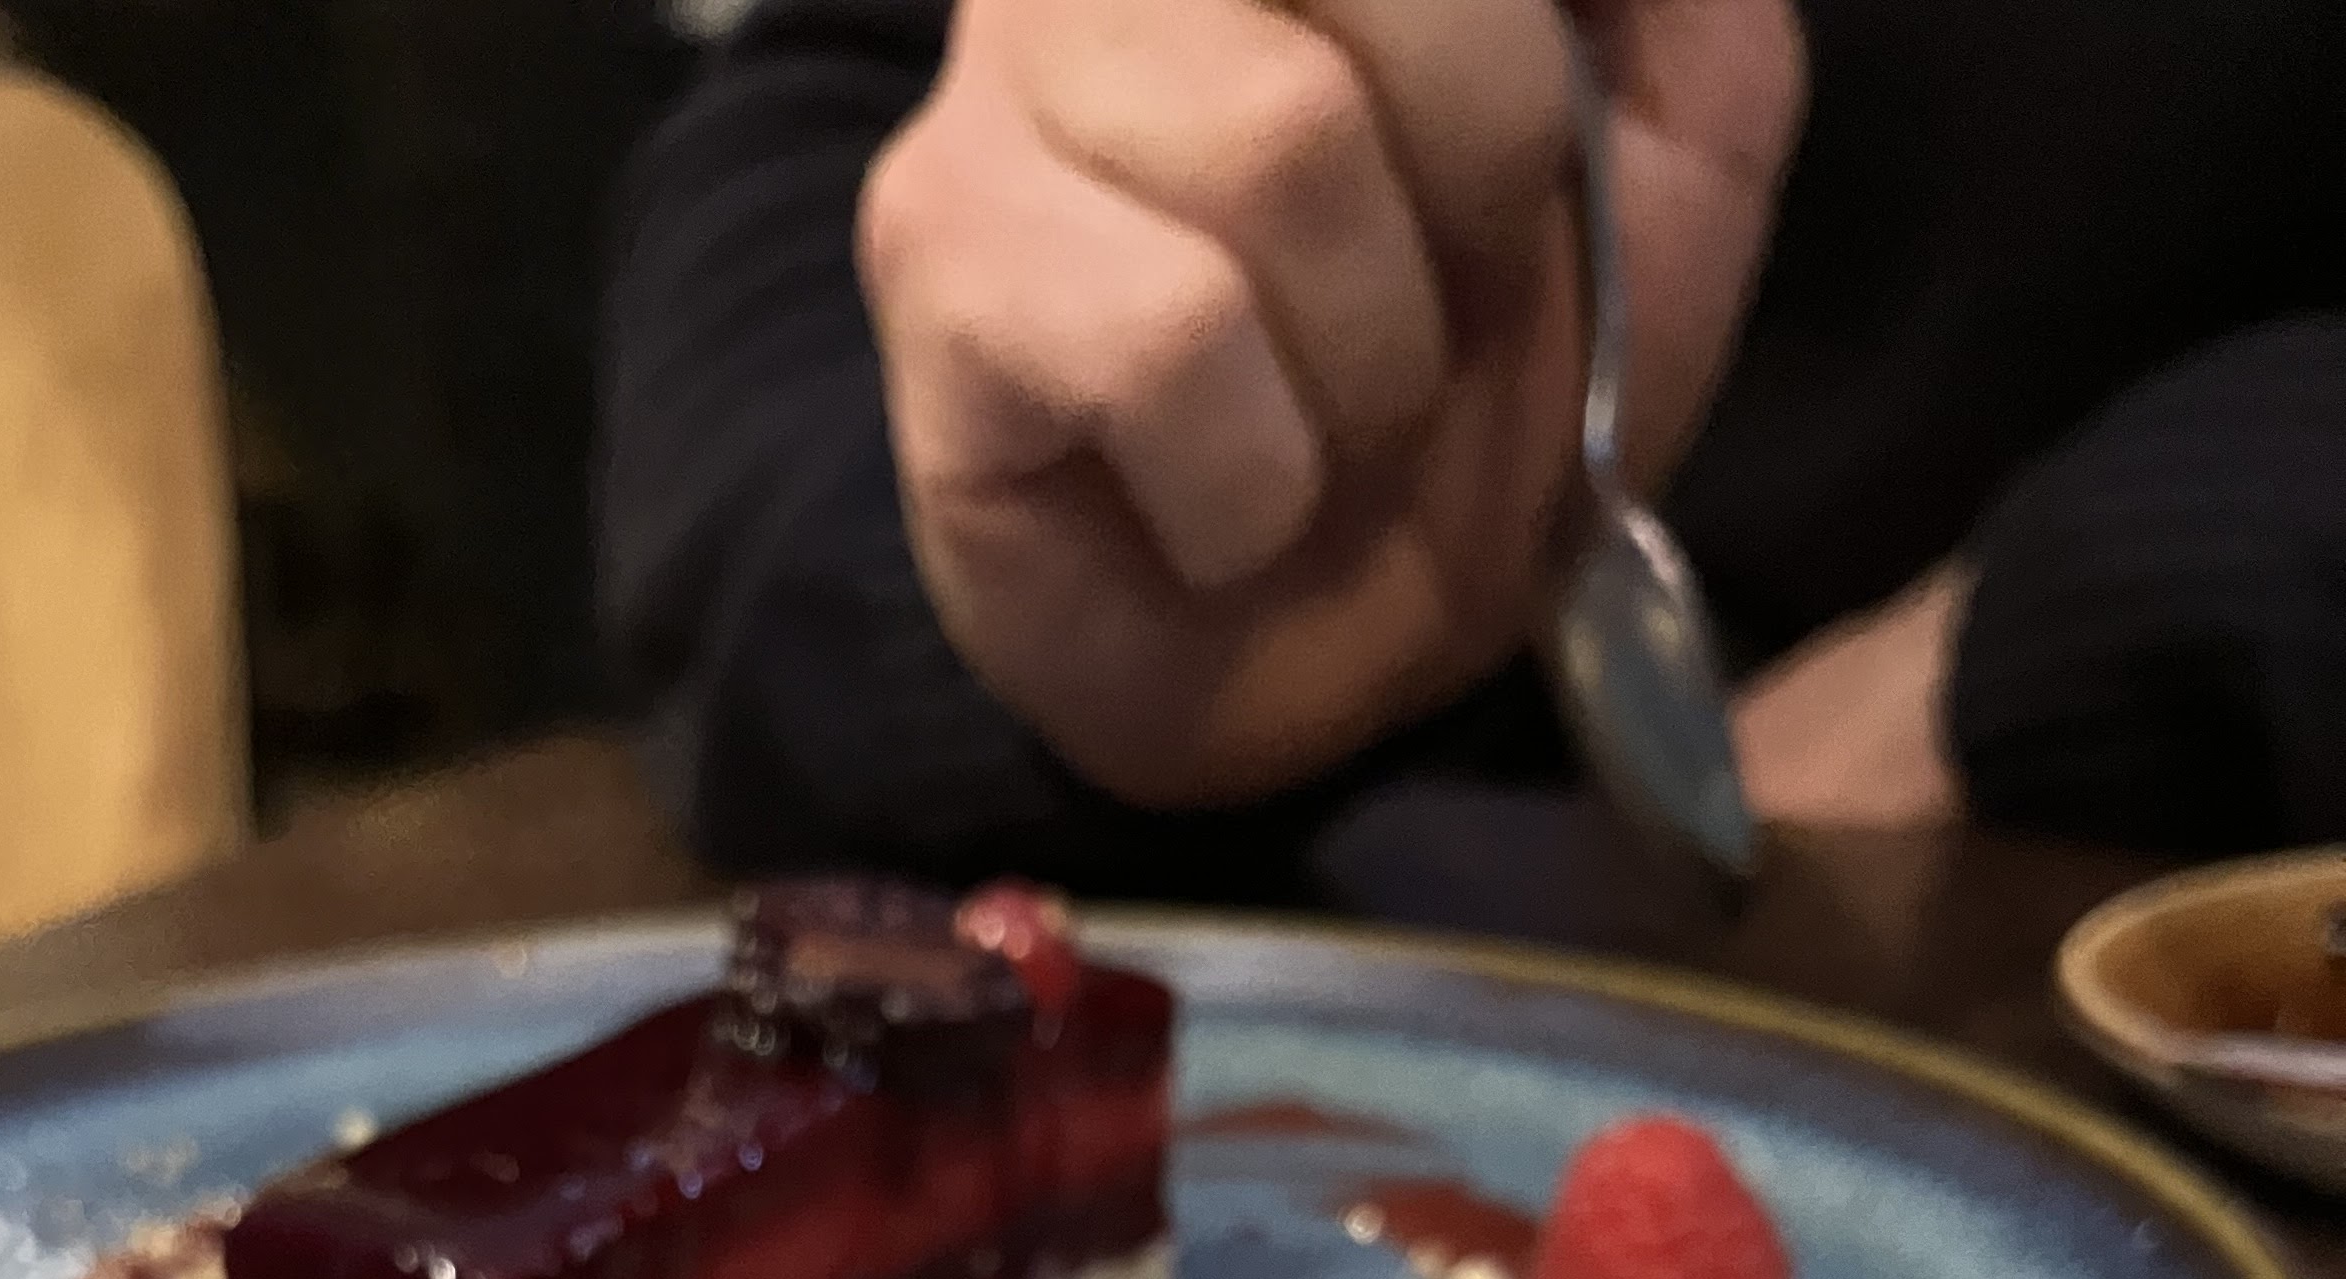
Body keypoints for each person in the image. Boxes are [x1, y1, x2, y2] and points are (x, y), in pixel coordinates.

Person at [599, 0, 2346, 900]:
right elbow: (812, 179)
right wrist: (1040, 546)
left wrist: (2094, 609)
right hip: (1333, 956)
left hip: (2176, 928)